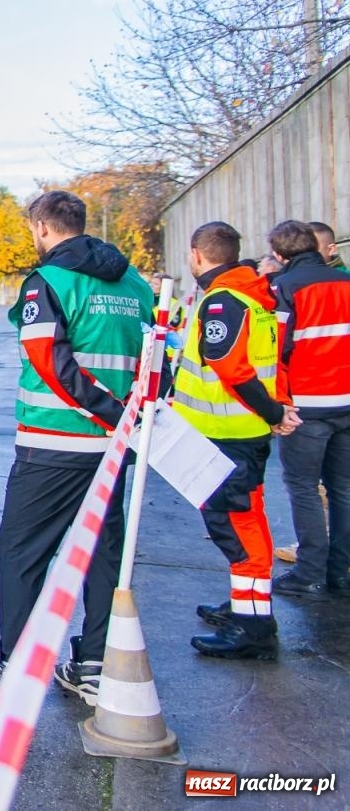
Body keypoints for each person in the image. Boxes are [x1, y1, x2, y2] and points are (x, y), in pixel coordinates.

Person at [0, 191, 153, 705]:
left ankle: (12, 666)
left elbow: (50, 363)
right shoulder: (136, 284)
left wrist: (110, 412)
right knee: (103, 552)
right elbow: (156, 361)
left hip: (53, 444)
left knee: (21, 550)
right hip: (113, 448)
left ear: (41, 227)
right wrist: (128, 418)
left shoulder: (49, 282)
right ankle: (93, 666)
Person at [170, 223, 299, 659]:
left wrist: (274, 412)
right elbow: (272, 361)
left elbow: (230, 366)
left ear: (197, 254)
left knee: (238, 531)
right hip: (243, 434)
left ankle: (253, 628)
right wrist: (276, 409)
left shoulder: (224, 300)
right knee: (248, 522)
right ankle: (247, 606)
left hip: (227, 439)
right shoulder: (255, 295)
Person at [268, 219, 350, 596]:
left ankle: (310, 573)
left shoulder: (284, 287)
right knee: (342, 488)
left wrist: (276, 406)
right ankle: (341, 573)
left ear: (278, 253)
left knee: (303, 488)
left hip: (306, 404)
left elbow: (278, 349)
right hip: (346, 401)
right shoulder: (346, 282)